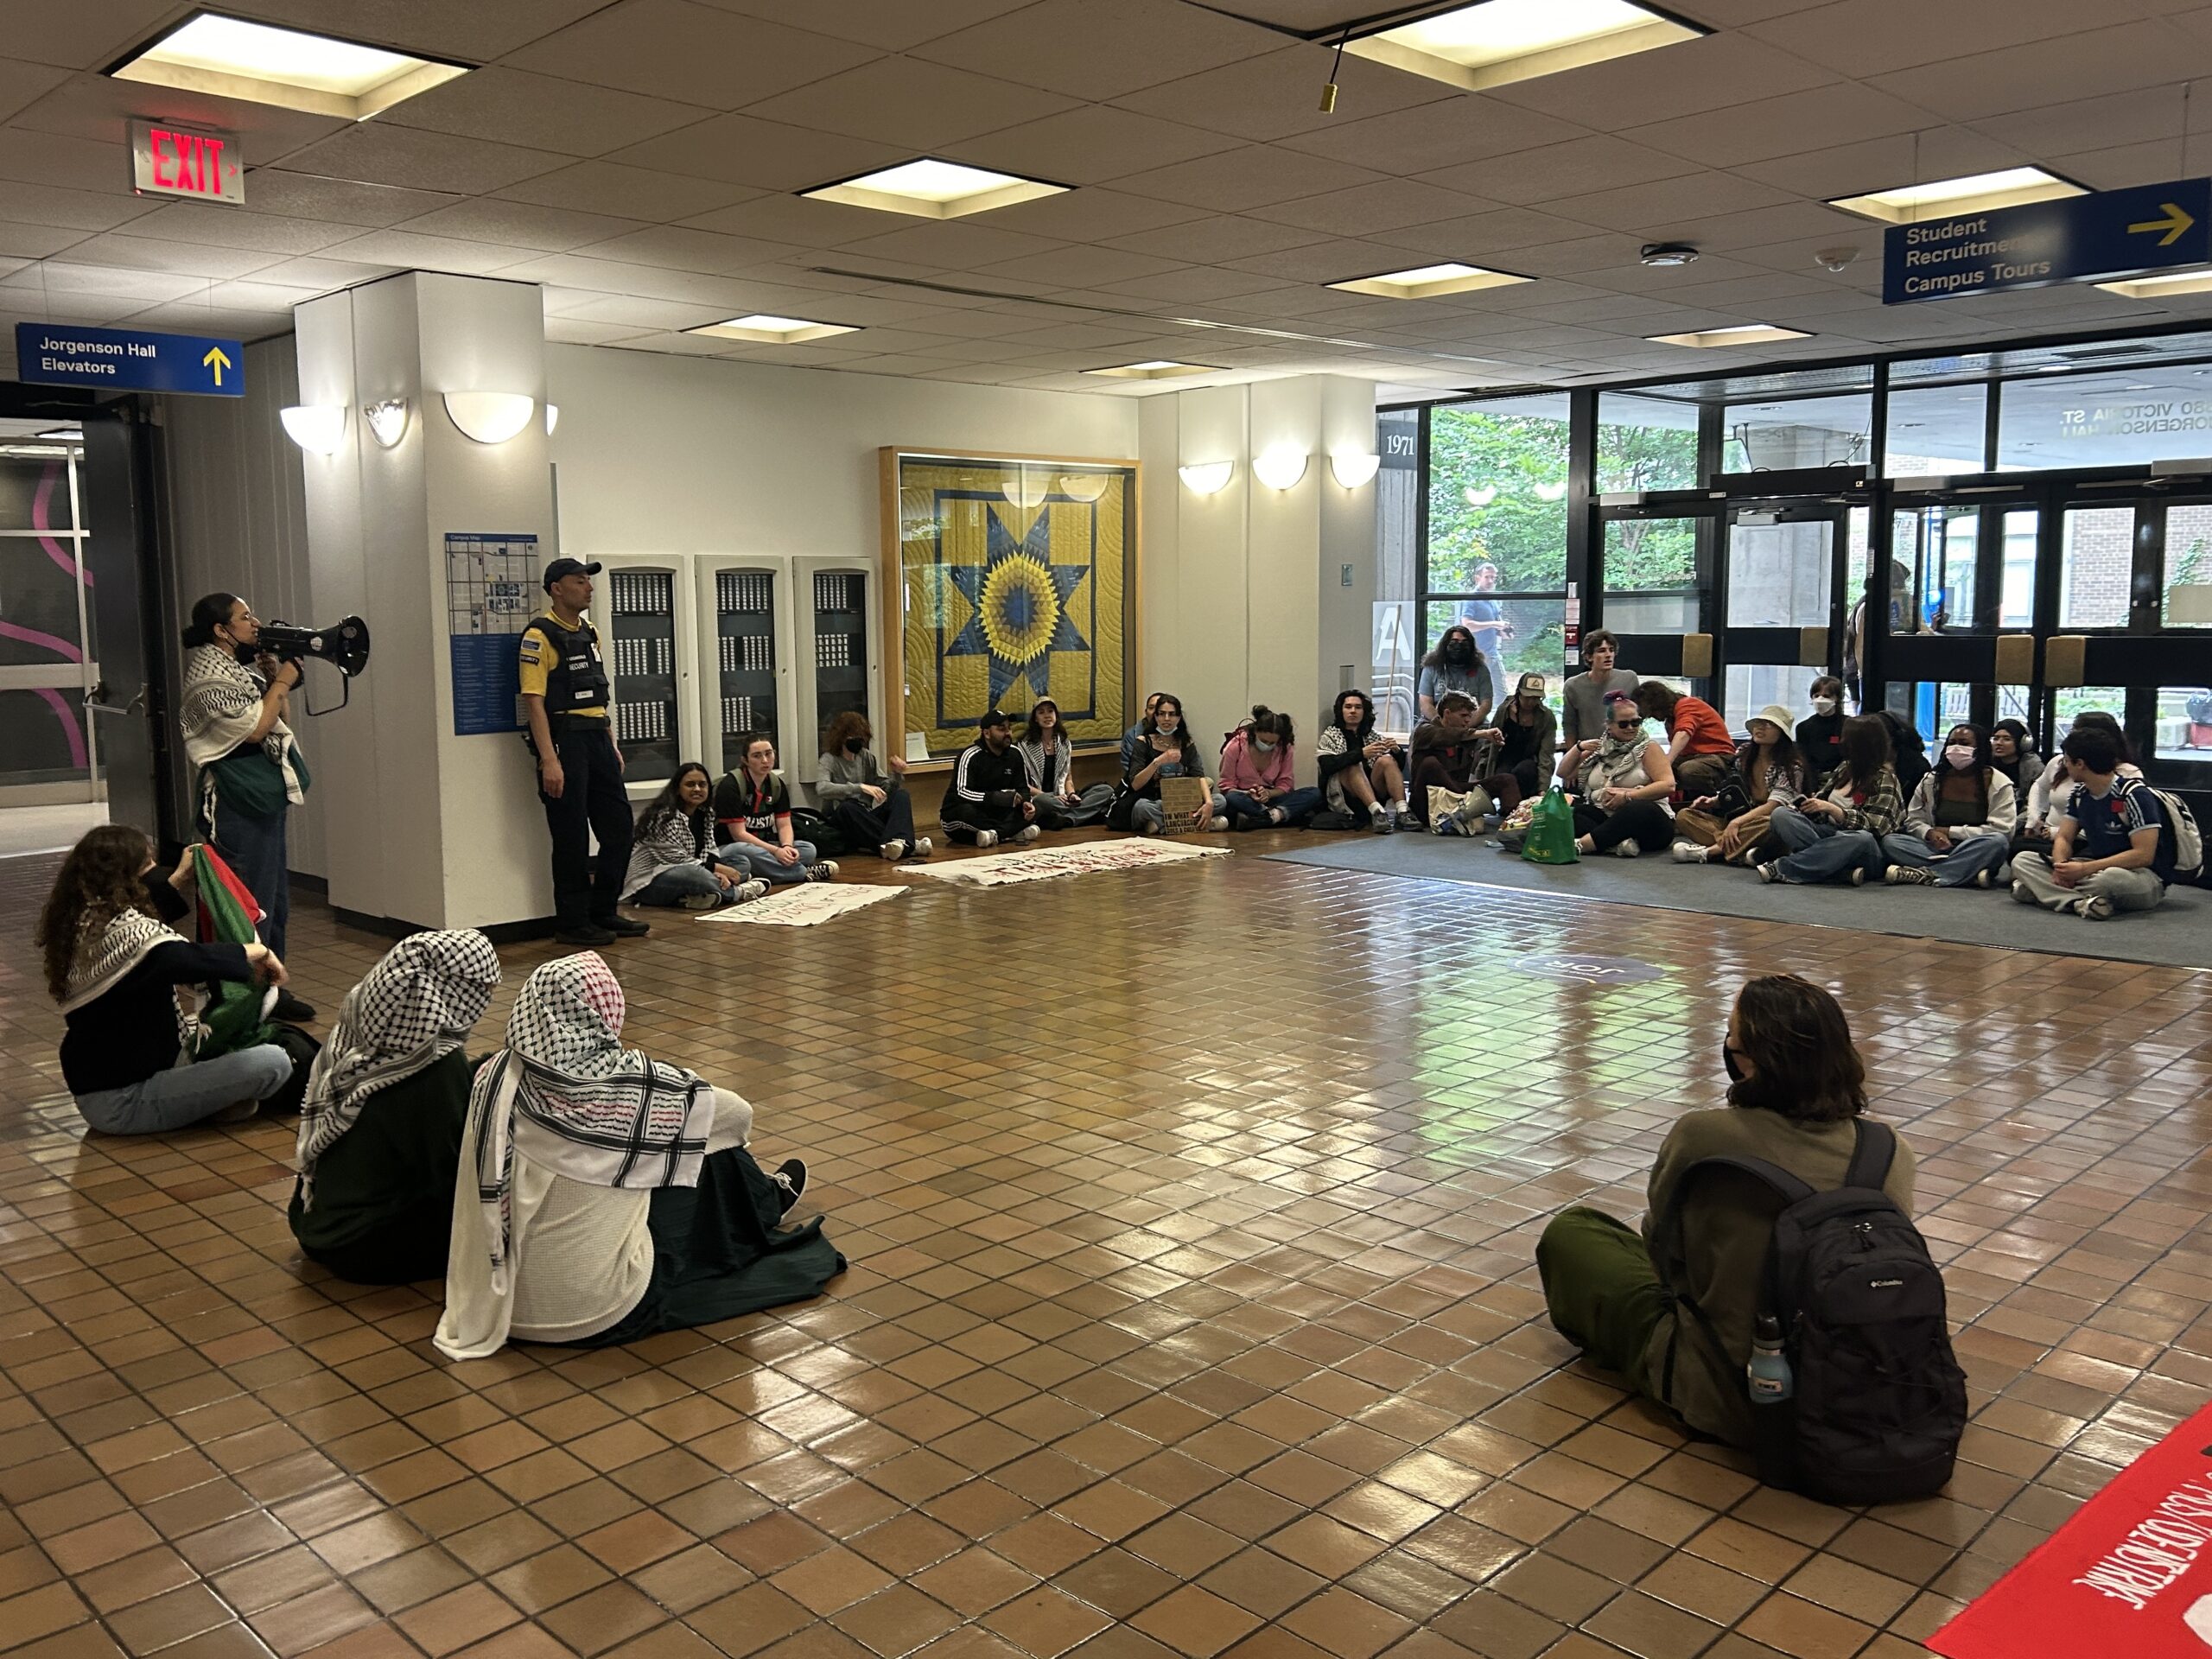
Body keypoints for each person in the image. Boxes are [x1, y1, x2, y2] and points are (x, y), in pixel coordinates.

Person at [1536, 976, 1916, 1449]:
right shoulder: (1888, 1149)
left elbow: (1661, 1251)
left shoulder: (1703, 1136)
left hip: (1728, 1392)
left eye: (1731, 1038)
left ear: (1751, 1060)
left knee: (1577, 1232)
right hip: (1859, 1388)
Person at [434, 953, 842, 1360]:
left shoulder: (493, 1075)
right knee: (705, 1150)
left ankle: (764, 1199)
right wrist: (670, 1097)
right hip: (601, 1309)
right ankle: (766, 1203)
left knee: (667, 1147)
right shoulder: (634, 1088)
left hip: (498, 1302)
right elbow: (738, 1117)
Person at [41, 824, 294, 1135]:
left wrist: (180, 878)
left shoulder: (86, 923)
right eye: (148, 866)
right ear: (128, 880)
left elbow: (145, 922)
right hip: (126, 1100)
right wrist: (256, 952)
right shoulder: (134, 940)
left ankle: (209, 1103)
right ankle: (208, 1103)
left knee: (216, 1032)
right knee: (273, 1062)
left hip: (113, 1084)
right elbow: (180, 958)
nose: (156, 874)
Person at [288, 930, 500, 1284]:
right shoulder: (433, 1066)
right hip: (367, 1244)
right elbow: (455, 1169)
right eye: (481, 990)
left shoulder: (363, 1037)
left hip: (318, 1223)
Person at [178, 593, 315, 1021]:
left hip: (261, 797)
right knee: (247, 902)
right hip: (236, 806)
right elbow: (255, 732)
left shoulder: (238, 669)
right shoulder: (207, 679)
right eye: (245, 617)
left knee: (274, 900)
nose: (255, 623)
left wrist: (274, 678)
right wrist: (281, 683)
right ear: (221, 630)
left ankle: (272, 989)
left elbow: (279, 720)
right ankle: (244, 995)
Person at [518, 558, 647, 949]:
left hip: (596, 737)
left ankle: (604, 909)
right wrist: (549, 759)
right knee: (571, 835)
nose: (588, 588)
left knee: (620, 828)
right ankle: (572, 922)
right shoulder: (539, 637)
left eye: (588, 582)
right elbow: (534, 702)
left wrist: (610, 741)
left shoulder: (590, 633)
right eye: (579, 582)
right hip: (565, 741)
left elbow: (596, 693)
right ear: (557, 588)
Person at [2011, 726, 2174, 919]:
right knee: (2023, 860)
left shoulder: (2134, 795)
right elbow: (2064, 836)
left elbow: (2143, 855)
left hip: (2138, 875)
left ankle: (2041, 891)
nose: (2065, 766)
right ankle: (2079, 903)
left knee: (2108, 880)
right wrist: (2061, 866)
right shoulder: (2080, 794)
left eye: (2066, 761)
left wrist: (2083, 870)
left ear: (2080, 764)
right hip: (2093, 866)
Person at [1754, 714, 1902, 886]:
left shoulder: (1885, 779)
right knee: (1781, 814)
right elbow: (1823, 803)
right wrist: (1811, 807)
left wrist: (1834, 810)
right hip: (1829, 833)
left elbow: (1877, 828)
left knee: (1860, 838)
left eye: (1848, 739)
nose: (1842, 742)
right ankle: (1835, 869)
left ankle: (1785, 867)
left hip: (1865, 848)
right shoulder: (1845, 768)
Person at [1880, 723, 2017, 889]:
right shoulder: (1930, 780)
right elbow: (1913, 820)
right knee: (1891, 841)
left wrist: (1950, 832)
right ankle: (1963, 872)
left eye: (1964, 744)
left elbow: (2003, 830)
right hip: (1933, 848)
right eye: (1952, 743)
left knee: (1997, 842)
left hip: (1974, 847)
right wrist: (1930, 833)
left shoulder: (1999, 783)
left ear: (1979, 748)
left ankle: (1924, 874)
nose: (1956, 748)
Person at [1671, 705, 1804, 866]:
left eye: (1769, 725)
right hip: (1741, 819)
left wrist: (1737, 823)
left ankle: (1710, 852)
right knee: (1685, 816)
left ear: (1782, 734)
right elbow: (1735, 790)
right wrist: (1714, 801)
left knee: (1774, 823)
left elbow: (1774, 805)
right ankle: (1743, 851)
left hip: (1764, 821)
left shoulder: (1792, 766)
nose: (1760, 728)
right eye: (1758, 722)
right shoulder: (1744, 754)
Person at [622, 765, 770, 910]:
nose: (697, 789)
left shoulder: (705, 813)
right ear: (678, 789)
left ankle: (691, 898)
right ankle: (737, 892)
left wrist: (716, 869)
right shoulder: (663, 816)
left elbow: (710, 848)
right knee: (695, 875)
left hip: (694, 868)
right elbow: (676, 859)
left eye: (702, 785)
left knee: (741, 861)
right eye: (690, 785)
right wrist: (714, 870)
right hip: (651, 880)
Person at [1560, 697, 1676, 857]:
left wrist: (1628, 796)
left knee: (1636, 808)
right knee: (1573, 812)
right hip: (1607, 815)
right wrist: (1578, 747)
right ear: (1609, 725)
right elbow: (1564, 772)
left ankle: (1581, 845)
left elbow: (1668, 785)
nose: (1630, 728)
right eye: (1623, 724)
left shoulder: (1649, 748)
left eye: (1635, 722)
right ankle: (1616, 844)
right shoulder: (1601, 748)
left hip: (1649, 822)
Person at [715, 735, 841, 882]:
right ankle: (802, 872)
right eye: (757, 756)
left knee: (807, 849)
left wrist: (786, 847)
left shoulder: (775, 784)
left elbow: (784, 824)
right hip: (730, 847)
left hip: (764, 845)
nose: (765, 760)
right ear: (745, 760)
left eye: (769, 754)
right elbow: (739, 835)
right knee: (745, 852)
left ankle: (765, 871)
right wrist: (776, 851)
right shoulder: (731, 786)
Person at [2018, 711, 2138, 861]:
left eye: (2076, 730)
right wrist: (2034, 819)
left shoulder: (2128, 778)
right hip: (2055, 836)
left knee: (2101, 864)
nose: (2071, 735)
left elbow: (2117, 828)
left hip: (2091, 842)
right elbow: (2041, 787)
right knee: (2018, 850)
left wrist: (2057, 833)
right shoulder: (2074, 782)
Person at [818, 712, 931, 860]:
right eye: (854, 738)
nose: (859, 742)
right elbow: (822, 788)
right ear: (842, 737)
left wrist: (896, 774)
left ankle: (894, 845)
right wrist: (859, 787)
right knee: (848, 807)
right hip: (840, 819)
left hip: (866, 816)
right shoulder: (829, 759)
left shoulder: (866, 757)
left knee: (901, 795)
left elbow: (886, 788)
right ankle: (911, 846)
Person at [1407, 692, 1522, 830]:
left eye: (1470, 716)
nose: (1468, 720)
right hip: (1429, 800)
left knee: (1506, 779)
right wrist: (1483, 734)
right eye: (1463, 716)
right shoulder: (1424, 730)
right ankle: (1466, 806)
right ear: (1447, 713)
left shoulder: (1467, 735)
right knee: (1430, 763)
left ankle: (1518, 822)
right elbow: (1446, 736)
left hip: (1458, 791)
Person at [1114, 692, 1220, 835]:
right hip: (1155, 800)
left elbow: (1198, 775)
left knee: (1220, 800)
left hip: (1181, 800)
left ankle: (1161, 825)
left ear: (1179, 717)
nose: (1167, 719)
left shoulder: (1186, 744)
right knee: (1142, 807)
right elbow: (1135, 784)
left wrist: (1208, 803)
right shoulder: (1143, 741)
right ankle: (1197, 823)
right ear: (1156, 716)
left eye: (1172, 714)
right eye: (1162, 714)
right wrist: (1159, 761)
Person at [941, 709, 1042, 847]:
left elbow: (1023, 788)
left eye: (1009, 728)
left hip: (998, 812)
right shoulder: (970, 756)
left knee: (1038, 807)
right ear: (987, 733)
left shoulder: (1015, 753)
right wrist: (995, 797)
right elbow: (961, 793)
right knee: (966, 812)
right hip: (966, 812)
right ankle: (1012, 832)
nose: (1008, 733)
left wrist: (1026, 803)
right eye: (1001, 729)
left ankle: (995, 835)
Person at [1314, 690, 1406, 834]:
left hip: (1375, 788)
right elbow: (1326, 766)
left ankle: (1403, 811)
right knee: (1353, 765)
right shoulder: (1331, 734)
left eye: (1358, 707)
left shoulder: (1372, 735)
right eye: (1348, 707)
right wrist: (1361, 754)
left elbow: (1396, 769)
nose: (1353, 711)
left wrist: (1397, 751)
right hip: (1346, 795)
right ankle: (1376, 812)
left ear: (1364, 711)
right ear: (1341, 711)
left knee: (1387, 760)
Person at [1216, 706, 1320, 830]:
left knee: (1314, 793)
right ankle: (1280, 816)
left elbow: (1285, 785)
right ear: (1255, 732)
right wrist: (1249, 793)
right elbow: (1226, 786)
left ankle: (1264, 818)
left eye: (1272, 743)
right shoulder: (1235, 746)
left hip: (1271, 797)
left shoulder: (1285, 748)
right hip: (1244, 796)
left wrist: (1268, 793)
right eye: (1263, 741)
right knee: (1231, 799)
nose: (1267, 746)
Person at [1632, 681, 1736, 800]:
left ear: (1658, 704)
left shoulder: (1688, 705)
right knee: (1651, 771)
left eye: (1652, 712)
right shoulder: (1671, 720)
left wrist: (1666, 762)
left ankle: (1714, 803)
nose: (1653, 717)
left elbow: (1683, 733)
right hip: (1693, 757)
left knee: (1689, 771)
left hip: (1719, 757)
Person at [1019, 699, 1114, 830]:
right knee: (1042, 801)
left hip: (1062, 797)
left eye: (1050, 711)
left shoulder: (1064, 744)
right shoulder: (1025, 746)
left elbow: (1068, 778)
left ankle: (1067, 819)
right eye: (1041, 712)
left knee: (1105, 790)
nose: (1047, 716)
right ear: (1035, 718)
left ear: (1056, 715)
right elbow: (1024, 785)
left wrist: (1071, 795)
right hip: (1041, 797)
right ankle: (1086, 816)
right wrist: (1051, 796)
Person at [1561, 632, 1637, 750]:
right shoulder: (1573, 686)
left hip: (1623, 749)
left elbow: (1637, 718)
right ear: (1589, 656)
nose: (1608, 655)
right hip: (1589, 750)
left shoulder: (1629, 679)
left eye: (1611, 650)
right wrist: (1574, 755)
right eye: (1601, 651)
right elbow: (1569, 724)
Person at [1491, 674, 1557, 804]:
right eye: (1527, 697)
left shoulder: (1546, 717)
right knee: (1503, 776)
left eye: (1536, 698)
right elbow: (1489, 744)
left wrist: (1543, 788)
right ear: (1519, 693)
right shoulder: (1504, 711)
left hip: (1531, 762)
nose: (1531, 702)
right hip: (1505, 758)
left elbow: (1547, 754)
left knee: (1524, 770)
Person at [1454, 562, 1511, 705]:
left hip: (1492, 654)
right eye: (1487, 577)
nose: (1491, 581)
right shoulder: (1472, 599)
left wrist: (1503, 631)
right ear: (1477, 578)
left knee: (1502, 694)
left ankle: (1499, 723)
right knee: (1474, 694)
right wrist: (1495, 624)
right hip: (1476, 656)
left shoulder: (1493, 600)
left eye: (1493, 577)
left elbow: (1494, 626)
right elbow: (1467, 624)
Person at [1416, 625, 1493, 721]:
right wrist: (1442, 724)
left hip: (1472, 723)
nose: (1459, 646)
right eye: (1454, 642)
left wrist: (1467, 725)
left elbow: (1486, 705)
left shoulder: (1481, 669)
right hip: (1436, 723)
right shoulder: (1431, 667)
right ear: (1445, 644)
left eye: (1464, 643)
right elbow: (1425, 704)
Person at [1796, 676, 1847, 785]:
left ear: (1837, 698)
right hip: (1813, 780)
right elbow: (1805, 760)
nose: (1820, 700)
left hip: (1843, 779)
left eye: (1826, 696)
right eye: (1816, 695)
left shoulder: (1848, 725)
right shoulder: (1803, 727)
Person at [1988, 719, 2039, 817]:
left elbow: (2035, 806)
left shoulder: (2033, 768)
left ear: (2023, 743)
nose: (1999, 743)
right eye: (1995, 738)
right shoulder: (1987, 764)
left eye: (2007, 739)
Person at [1119, 691, 1166, 775]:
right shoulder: (1132, 735)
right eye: (1151, 708)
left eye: (1159, 707)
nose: (1155, 712)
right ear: (1146, 712)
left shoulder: (1178, 734)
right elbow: (1132, 772)